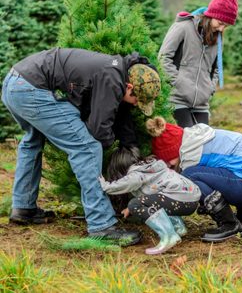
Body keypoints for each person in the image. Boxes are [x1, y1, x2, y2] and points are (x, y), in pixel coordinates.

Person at [1, 47, 161, 245]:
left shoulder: (116, 70)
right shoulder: (112, 79)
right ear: (129, 87)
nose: (137, 104)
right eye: (137, 99)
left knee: (33, 141)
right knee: (87, 148)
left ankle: (23, 207)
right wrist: (111, 151)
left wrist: (130, 144)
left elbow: (117, 113)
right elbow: (98, 130)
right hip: (32, 90)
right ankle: (101, 225)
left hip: (15, 83)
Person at [146, 117, 242, 242]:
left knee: (189, 175)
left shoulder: (191, 154)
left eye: (169, 163)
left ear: (173, 153)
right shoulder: (199, 138)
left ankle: (230, 224)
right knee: (225, 170)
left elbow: (187, 189)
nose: (169, 167)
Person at [158, 0, 238, 128]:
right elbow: (163, 58)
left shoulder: (217, 37)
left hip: (201, 103)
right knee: (188, 141)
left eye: (226, 26)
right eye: (220, 23)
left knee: (203, 142)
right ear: (211, 15)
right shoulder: (183, 27)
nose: (221, 29)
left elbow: (215, 69)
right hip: (177, 99)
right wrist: (178, 83)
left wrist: (209, 88)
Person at [99, 147, 200, 254]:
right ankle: (178, 226)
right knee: (156, 200)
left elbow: (122, 185)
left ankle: (169, 236)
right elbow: (152, 197)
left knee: (135, 205)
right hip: (191, 199)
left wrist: (105, 186)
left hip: (179, 199)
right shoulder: (149, 167)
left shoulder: (136, 174)